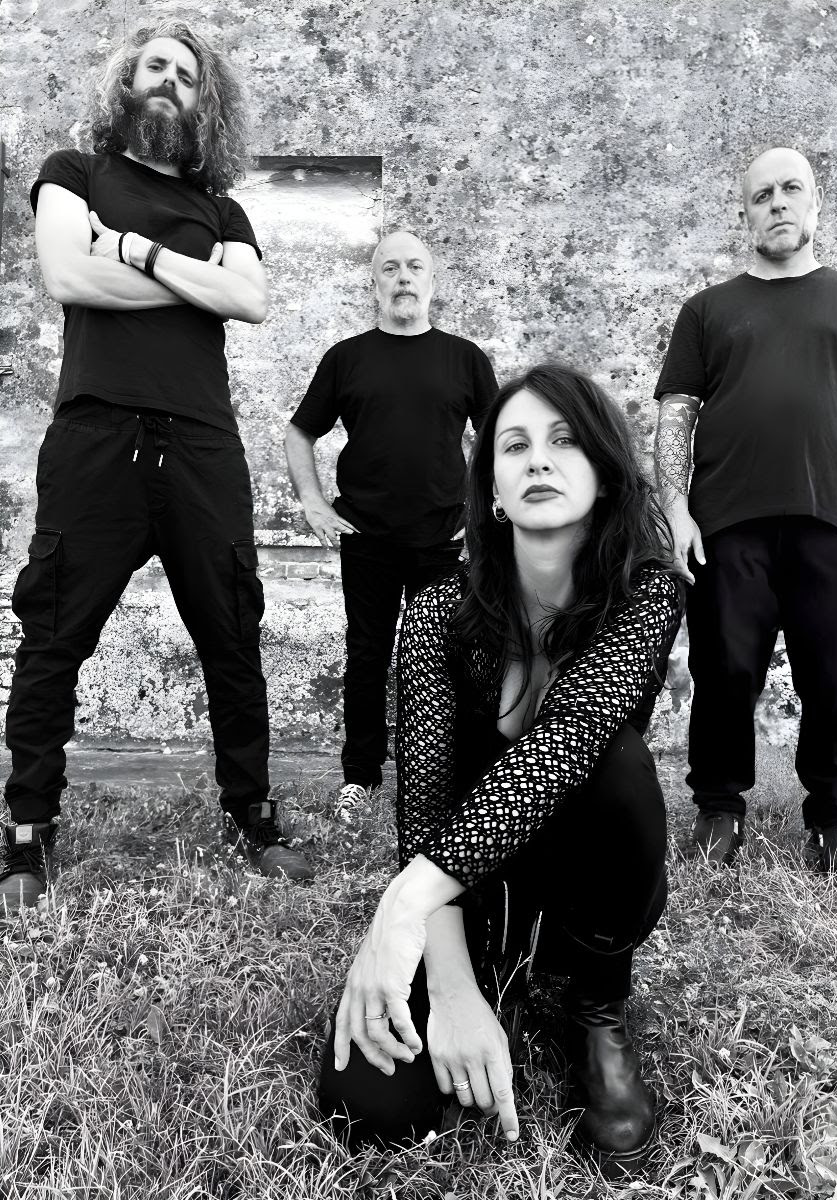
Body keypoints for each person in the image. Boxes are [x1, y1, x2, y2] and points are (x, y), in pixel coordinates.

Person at [317, 364, 683, 1166]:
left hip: (587, 885)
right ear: (490, 491)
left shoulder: (645, 593)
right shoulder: (439, 611)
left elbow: (568, 740)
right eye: (514, 446)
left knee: (616, 762)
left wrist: (401, 903)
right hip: (473, 894)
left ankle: (595, 1009)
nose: (538, 460)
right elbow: (424, 807)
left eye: (564, 441)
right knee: (371, 1105)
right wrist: (450, 986)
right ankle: (489, 974)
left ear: (604, 473)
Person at [0, 18, 312, 909]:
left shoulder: (224, 210)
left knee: (232, 637)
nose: (169, 81)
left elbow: (249, 298)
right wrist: (193, 281)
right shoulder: (74, 173)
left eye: (185, 74)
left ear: (203, 100)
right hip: (96, 437)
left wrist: (133, 249)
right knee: (55, 634)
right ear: (126, 85)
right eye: (155, 68)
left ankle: (252, 813)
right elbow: (68, 275)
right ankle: (27, 830)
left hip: (203, 445)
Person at [654, 146, 837, 883]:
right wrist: (675, 509)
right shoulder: (708, 310)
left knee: (835, 678)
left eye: (792, 189)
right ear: (746, 215)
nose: (778, 203)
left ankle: (834, 818)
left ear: (816, 203)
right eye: (762, 195)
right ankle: (718, 809)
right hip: (726, 525)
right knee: (724, 671)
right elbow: (676, 415)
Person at [284, 231, 498, 814]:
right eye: (390, 268)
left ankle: (447, 772)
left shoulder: (464, 358)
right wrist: (313, 502)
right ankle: (361, 776)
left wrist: (485, 513)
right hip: (367, 535)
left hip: (442, 538)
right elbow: (300, 432)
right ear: (374, 281)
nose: (403, 278)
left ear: (432, 279)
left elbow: (499, 439)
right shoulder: (347, 357)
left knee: (448, 656)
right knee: (367, 655)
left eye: (415, 267)